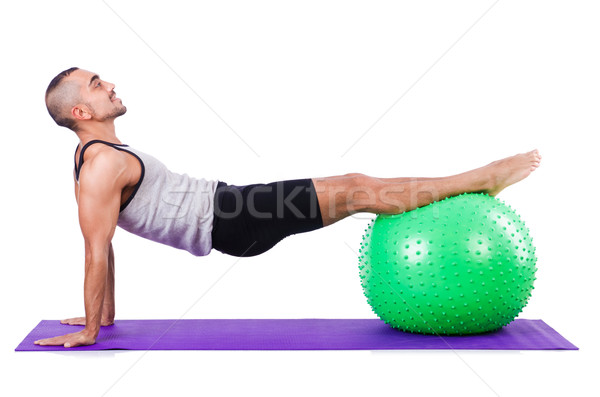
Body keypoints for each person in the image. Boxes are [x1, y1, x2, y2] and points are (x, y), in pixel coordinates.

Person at [34, 67, 542, 348]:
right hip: (231, 218)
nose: (111, 84)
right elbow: (97, 249)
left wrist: (105, 316)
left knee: (359, 192)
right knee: (361, 188)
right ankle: (481, 178)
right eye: (98, 84)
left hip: (231, 207)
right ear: (81, 112)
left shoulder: (102, 158)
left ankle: (475, 179)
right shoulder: (100, 165)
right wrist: (91, 331)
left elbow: (105, 247)